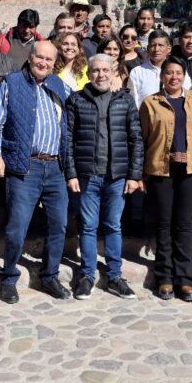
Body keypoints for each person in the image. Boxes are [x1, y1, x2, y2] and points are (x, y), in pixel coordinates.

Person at [0, 41, 72, 304]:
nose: (43, 63)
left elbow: (70, 121)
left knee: (58, 225)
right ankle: (9, 278)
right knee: (17, 227)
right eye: (40, 57)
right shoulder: (12, 83)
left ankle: (49, 275)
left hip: (56, 167)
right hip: (25, 166)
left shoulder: (59, 86)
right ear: (30, 56)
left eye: (49, 60)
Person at [64, 54, 143, 300]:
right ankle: (87, 275)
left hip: (117, 176)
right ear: (88, 73)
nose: (100, 75)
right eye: (96, 70)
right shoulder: (76, 99)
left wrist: (134, 175)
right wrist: (71, 172)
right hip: (88, 175)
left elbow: (136, 139)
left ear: (112, 72)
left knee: (113, 225)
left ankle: (114, 276)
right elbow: (66, 138)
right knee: (88, 227)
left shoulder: (125, 100)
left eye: (105, 70)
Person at [140, 57, 192, 302]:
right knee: (163, 225)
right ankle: (165, 277)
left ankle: (185, 279)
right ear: (162, 76)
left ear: (185, 76)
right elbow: (142, 140)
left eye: (178, 73)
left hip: (191, 171)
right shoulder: (150, 103)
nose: (174, 77)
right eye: (169, 72)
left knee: (184, 226)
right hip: (161, 171)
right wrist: (141, 174)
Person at [128, 30, 172, 107]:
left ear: (168, 49)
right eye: (153, 45)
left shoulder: (177, 72)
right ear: (148, 48)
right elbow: (132, 102)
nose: (156, 49)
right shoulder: (137, 72)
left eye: (160, 45)